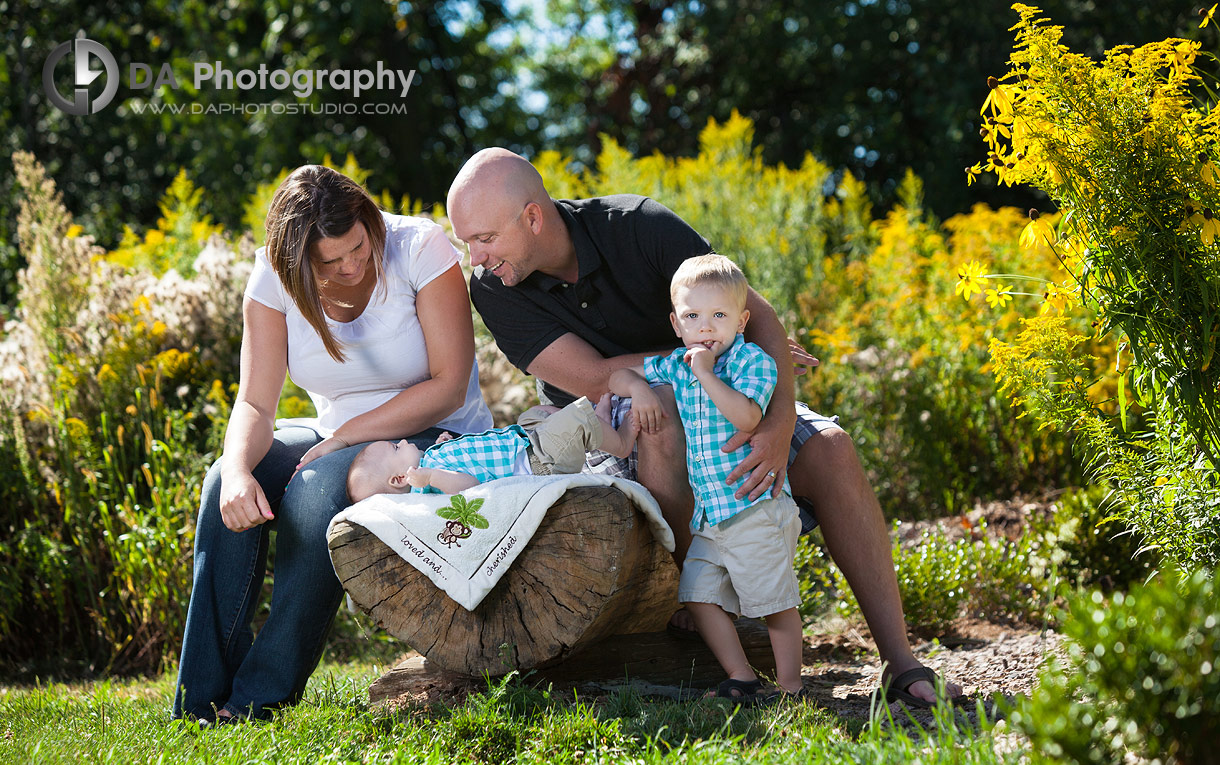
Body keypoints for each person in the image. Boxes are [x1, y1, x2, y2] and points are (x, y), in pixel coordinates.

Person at [446, 148, 964, 707]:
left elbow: (755, 314)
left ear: (531, 217)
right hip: (616, 426)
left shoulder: (639, 227)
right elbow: (599, 378)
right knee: (660, 407)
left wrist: (779, 421)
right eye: (468, 241)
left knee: (832, 449)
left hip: (721, 392)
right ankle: (709, 618)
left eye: (484, 238)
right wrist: (702, 358)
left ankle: (901, 661)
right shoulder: (494, 288)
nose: (475, 257)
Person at [172, 165, 493, 724]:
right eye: (331, 261)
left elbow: (447, 384)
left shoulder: (418, 246)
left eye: (358, 248)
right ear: (297, 261)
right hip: (334, 436)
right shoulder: (273, 278)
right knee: (225, 477)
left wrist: (343, 437)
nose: (351, 266)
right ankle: (198, 701)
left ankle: (258, 699)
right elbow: (254, 403)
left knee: (314, 490)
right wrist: (242, 472)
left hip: (433, 436)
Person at [610, 255, 805, 703]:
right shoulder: (677, 363)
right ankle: (742, 676)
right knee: (696, 595)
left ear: (742, 320)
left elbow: (749, 416)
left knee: (774, 602)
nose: (707, 327)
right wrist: (639, 389)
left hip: (754, 507)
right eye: (694, 317)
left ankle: (792, 688)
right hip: (712, 514)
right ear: (677, 324)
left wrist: (705, 374)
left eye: (719, 316)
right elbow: (618, 375)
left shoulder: (752, 362)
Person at [345, 394, 636, 499]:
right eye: (396, 449)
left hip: (523, 440)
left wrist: (443, 446)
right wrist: (433, 476)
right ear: (399, 479)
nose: (404, 442)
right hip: (539, 463)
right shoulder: (428, 486)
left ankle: (594, 429)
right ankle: (617, 441)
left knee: (538, 412)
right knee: (575, 420)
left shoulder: (430, 461)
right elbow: (469, 486)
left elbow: (465, 462)